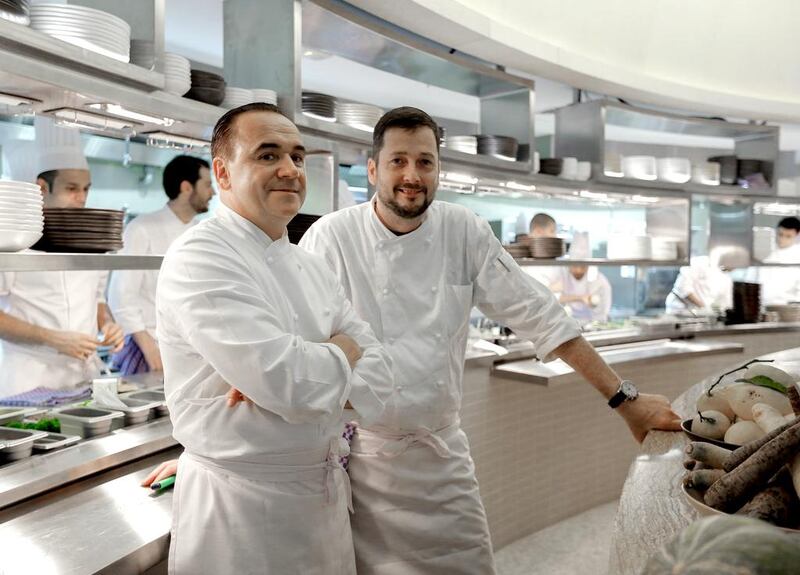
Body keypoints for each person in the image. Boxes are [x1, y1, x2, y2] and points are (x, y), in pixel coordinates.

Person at [147, 107, 681, 573]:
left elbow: (540, 315)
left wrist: (623, 400)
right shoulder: (327, 236)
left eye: (425, 162)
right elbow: (283, 373)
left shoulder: (462, 230)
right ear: (374, 169)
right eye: (398, 161)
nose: (412, 175)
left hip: (435, 457)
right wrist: (213, 441)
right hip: (357, 462)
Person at [155, 103, 393, 574]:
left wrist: (305, 374)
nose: (289, 170)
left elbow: (381, 380)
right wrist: (340, 352)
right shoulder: (201, 255)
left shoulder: (311, 265)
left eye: (298, 157)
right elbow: (291, 384)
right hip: (240, 511)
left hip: (319, 504)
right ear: (222, 173)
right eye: (267, 156)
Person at [0, 118, 124, 396]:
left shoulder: (94, 242)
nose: (82, 198)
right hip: (27, 380)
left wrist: (108, 326)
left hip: (83, 376)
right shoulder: (14, 242)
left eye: (86, 188)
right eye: (71, 189)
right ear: (42, 188)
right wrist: (52, 339)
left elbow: (97, 301)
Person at [107, 155, 214, 374]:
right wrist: (149, 348)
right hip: (150, 346)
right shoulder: (141, 228)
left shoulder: (204, 232)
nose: (213, 193)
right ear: (186, 187)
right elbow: (121, 295)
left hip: (195, 347)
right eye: (207, 185)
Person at [665, 254, 733, 314]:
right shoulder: (701, 262)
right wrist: (704, 309)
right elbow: (683, 288)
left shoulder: (727, 279)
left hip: (701, 315)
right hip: (680, 311)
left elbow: (727, 304)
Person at [759, 216, 800, 305]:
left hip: (789, 310)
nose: (782, 239)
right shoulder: (770, 258)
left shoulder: (797, 259)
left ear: (797, 235)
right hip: (766, 307)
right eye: (780, 234)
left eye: (788, 236)